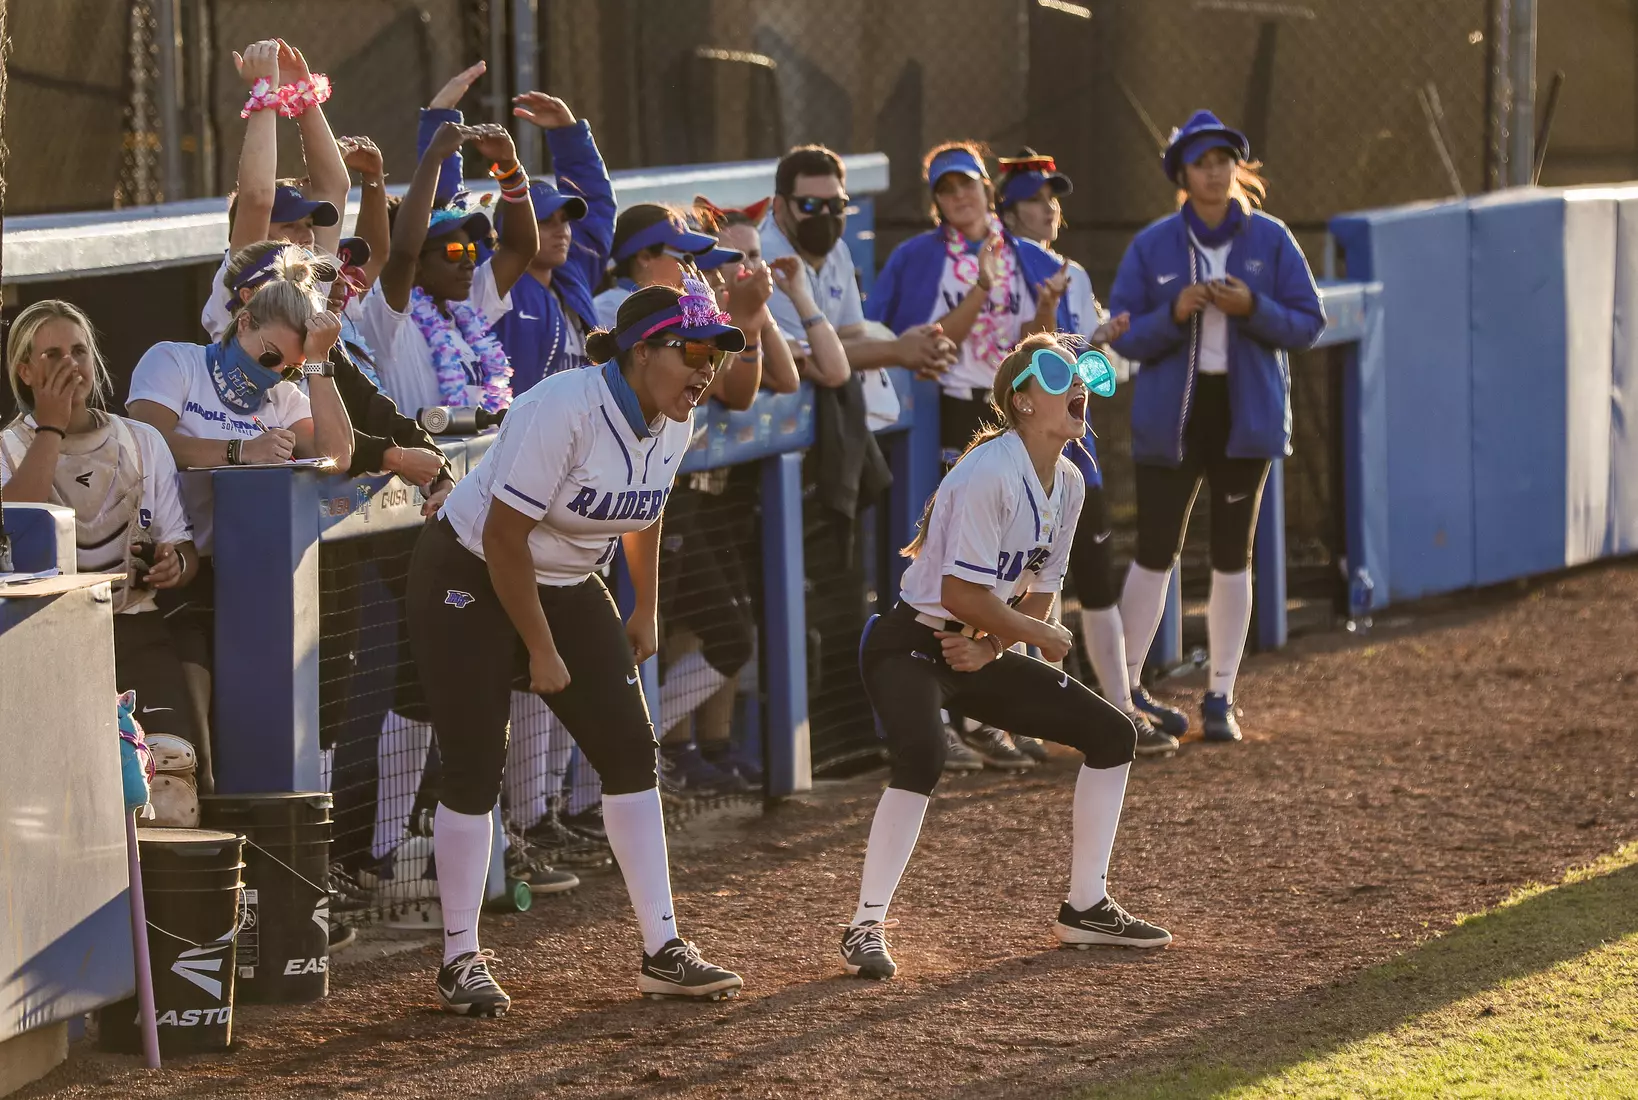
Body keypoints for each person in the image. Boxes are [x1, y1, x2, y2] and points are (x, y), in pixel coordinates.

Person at [405, 282, 747, 1015]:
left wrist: (644, 608)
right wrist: (540, 648)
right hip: (470, 570)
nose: (705, 369)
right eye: (692, 351)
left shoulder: (674, 420)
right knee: (472, 760)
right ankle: (459, 958)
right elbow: (501, 538)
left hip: (565, 577)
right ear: (639, 349)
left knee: (630, 752)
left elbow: (644, 514)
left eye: (715, 356)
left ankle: (663, 949)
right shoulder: (566, 406)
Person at [840, 333, 1170, 981]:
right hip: (910, 642)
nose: (1077, 386)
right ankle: (864, 926)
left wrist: (993, 643)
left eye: (1082, 376)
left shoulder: (1070, 480)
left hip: (973, 645)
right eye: (1056, 375)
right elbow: (962, 593)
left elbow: (1040, 594)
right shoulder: (990, 472)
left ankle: (1086, 906)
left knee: (1111, 734)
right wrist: (1031, 638)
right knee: (924, 755)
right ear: (1020, 403)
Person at [1108, 110, 1325, 742]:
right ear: (1181, 173)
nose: (1214, 171)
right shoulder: (1152, 245)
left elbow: (1308, 324)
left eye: (1223, 160)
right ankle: (1125, 690)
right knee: (1154, 551)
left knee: (1234, 554)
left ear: (1237, 168)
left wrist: (1250, 306)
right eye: (1201, 162)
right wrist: (1174, 312)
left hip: (1243, 414)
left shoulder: (1272, 238)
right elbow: (1125, 336)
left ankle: (1221, 694)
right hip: (1171, 417)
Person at [994, 151, 1175, 757]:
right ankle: (1010, 719)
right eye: (1033, 200)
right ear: (1008, 212)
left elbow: (1094, 373)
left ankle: (1121, 705)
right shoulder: (999, 266)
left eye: (1052, 199)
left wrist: (1101, 343)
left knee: (1094, 578)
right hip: (1017, 446)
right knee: (1011, 584)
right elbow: (1019, 359)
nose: (1048, 209)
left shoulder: (1071, 272)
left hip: (1077, 444)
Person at [2, 301, 207, 786]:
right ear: (25, 370)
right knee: (74, 784)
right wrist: (50, 426)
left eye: (79, 352)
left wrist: (173, 563)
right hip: (45, 641)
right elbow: (14, 523)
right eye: (52, 355)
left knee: (172, 773)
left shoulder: (141, 442)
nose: (69, 365)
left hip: (135, 629)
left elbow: (185, 549)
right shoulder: (9, 449)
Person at [866, 141, 1076, 469]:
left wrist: (1047, 305)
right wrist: (982, 288)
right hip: (949, 409)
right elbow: (932, 344)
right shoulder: (915, 258)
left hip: (1017, 404)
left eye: (966, 183)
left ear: (987, 188)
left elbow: (1036, 347)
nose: (959, 195)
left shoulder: (1028, 256)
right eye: (946, 189)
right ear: (936, 201)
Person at [419, 79, 616, 392]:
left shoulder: (573, 273)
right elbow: (445, 211)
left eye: (564, 221)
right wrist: (439, 119)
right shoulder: (490, 280)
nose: (562, 231)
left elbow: (597, 208)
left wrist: (569, 135)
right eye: (545, 221)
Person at [361, 120, 539, 416]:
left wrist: (509, 168)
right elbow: (403, 252)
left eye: (470, 250)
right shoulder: (387, 317)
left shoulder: (466, 307)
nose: (470, 261)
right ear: (418, 265)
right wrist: (434, 159)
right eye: (454, 252)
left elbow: (521, 249)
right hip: (418, 460)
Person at [761, 144, 955, 388]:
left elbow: (851, 334)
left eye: (836, 205)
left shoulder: (837, 250)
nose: (824, 215)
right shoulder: (765, 257)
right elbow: (807, 355)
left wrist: (923, 349)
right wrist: (896, 350)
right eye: (809, 205)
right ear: (779, 206)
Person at [201, 39, 352, 341]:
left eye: (307, 225)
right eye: (290, 226)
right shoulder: (246, 277)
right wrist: (265, 92)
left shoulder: (308, 280)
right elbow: (257, 198)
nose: (307, 235)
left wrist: (303, 93)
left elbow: (335, 186)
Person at [593, 205, 717, 330]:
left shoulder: (671, 308)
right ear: (645, 257)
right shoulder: (607, 310)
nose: (691, 267)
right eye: (685, 257)